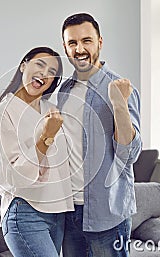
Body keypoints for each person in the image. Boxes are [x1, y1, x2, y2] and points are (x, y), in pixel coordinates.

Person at [57, 13, 142, 257]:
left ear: (100, 43)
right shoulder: (65, 91)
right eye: (72, 43)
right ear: (65, 47)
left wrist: (119, 105)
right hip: (69, 212)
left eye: (87, 40)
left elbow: (130, 153)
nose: (79, 48)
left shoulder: (121, 88)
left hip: (108, 214)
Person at [0, 47, 74, 257]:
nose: (44, 73)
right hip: (25, 211)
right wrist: (46, 136)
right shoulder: (2, 114)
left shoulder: (51, 110)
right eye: (40, 65)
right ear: (23, 65)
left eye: (51, 71)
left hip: (58, 212)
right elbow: (16, 176)